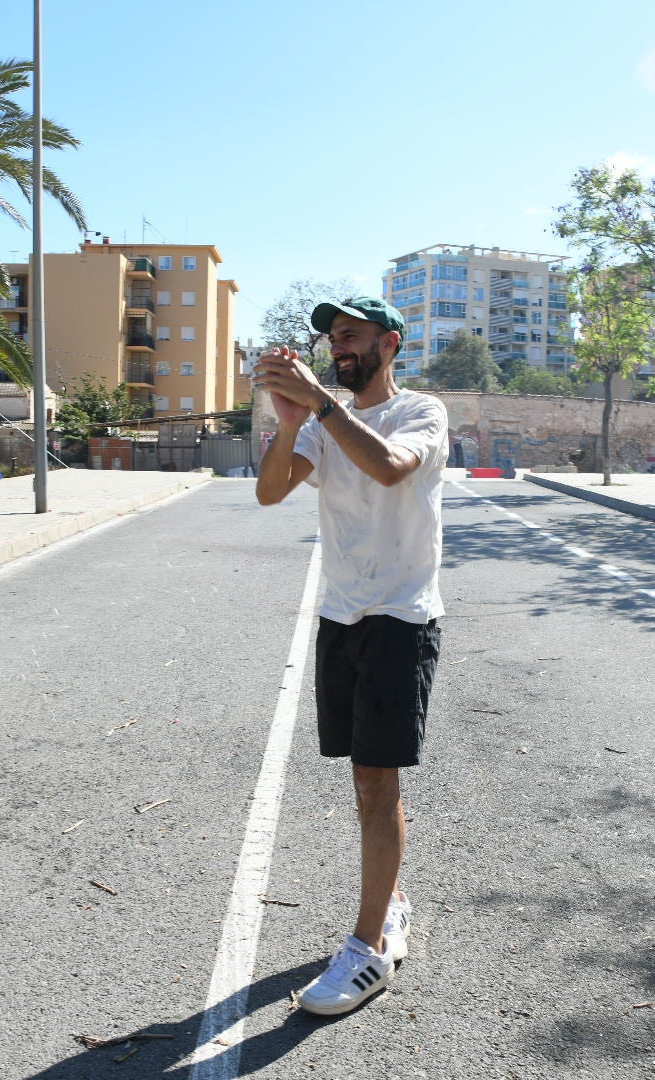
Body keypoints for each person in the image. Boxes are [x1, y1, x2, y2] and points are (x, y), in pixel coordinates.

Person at [254, 296, 449, 1016]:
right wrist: (289, 421)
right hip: (341, 615)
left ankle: (368, 949)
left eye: (352, 335)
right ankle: (390, 901)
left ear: (389, 344)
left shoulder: (422, 412)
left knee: (377, 781)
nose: (338, 346)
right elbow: (271, 492)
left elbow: (393, 468)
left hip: (401, 617)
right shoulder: (320, 422)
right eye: (332, 337)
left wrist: (323, 409)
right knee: (363, 779)